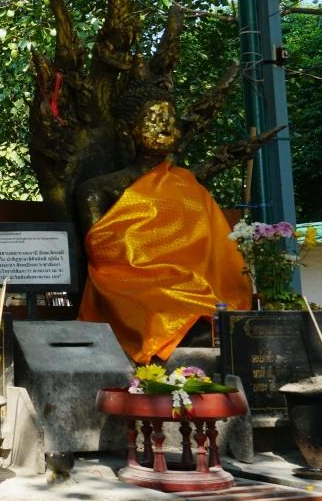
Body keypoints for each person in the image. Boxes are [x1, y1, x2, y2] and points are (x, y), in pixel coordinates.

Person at [76, 80, 251, 363]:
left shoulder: (188, 187)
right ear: (125, 129)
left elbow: (216, 255)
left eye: (171, 119)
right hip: (129, 289)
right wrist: (164, 279)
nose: (166, 127)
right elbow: (105, 258)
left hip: (193, 289)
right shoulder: (98, 190)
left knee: (216, 320)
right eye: (155, 119)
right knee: (169, 315)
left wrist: (188, 280)